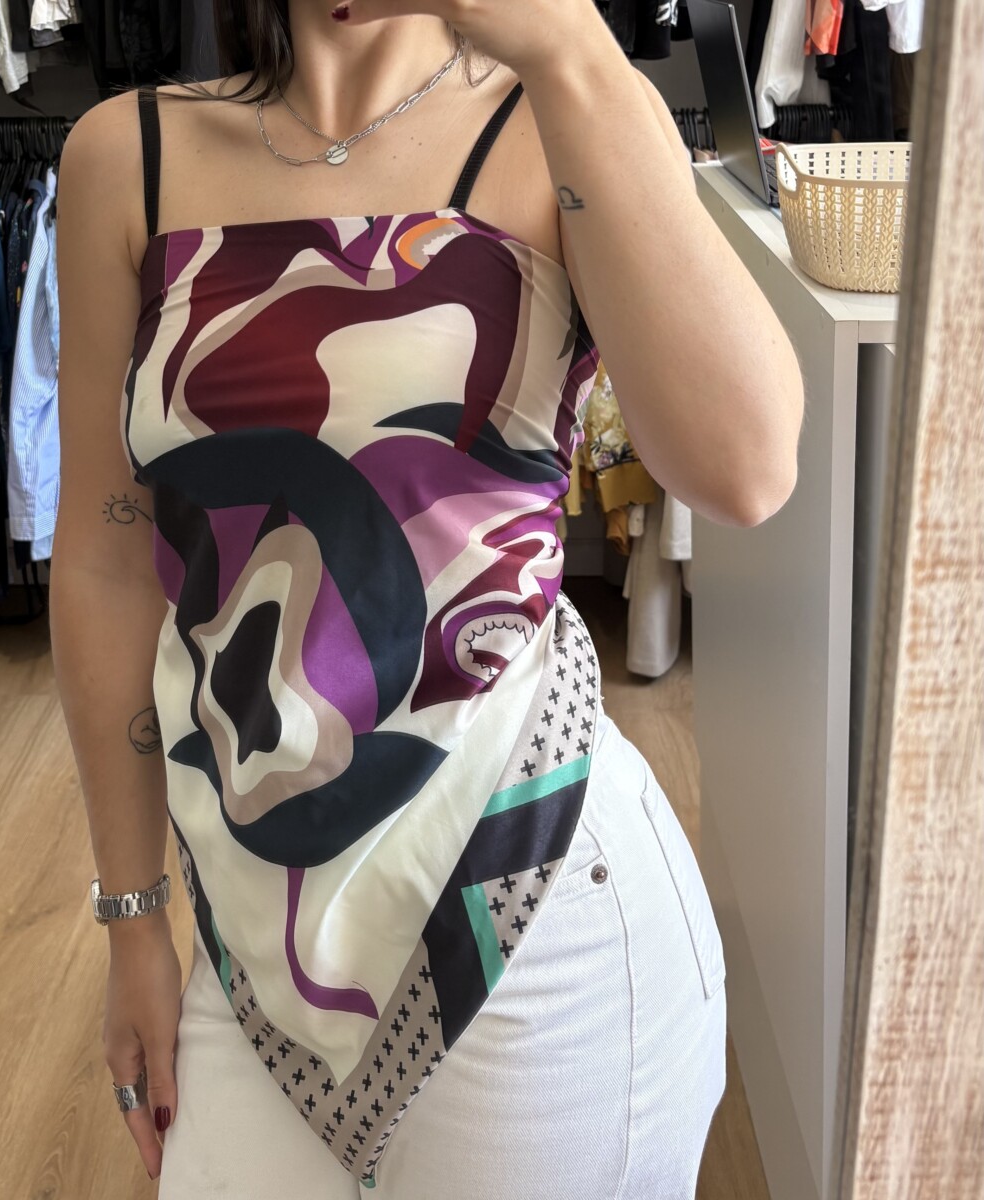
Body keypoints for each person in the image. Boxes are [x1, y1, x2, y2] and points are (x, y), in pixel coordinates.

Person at [50, 1, 805, 1195]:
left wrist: (565, 45)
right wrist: (132, 913)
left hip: (533, 905)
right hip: (253, 941)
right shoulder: (123, 158)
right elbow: (103, 560)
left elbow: (744, 468)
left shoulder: (552, 112)